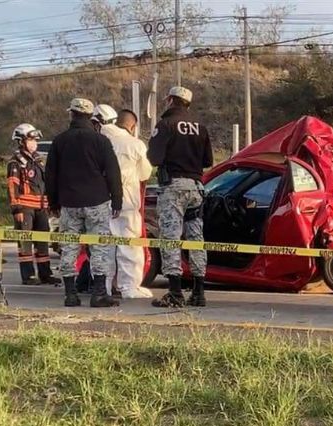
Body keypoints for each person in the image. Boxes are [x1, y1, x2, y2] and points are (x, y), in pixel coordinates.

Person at [45, 98, 123, 308]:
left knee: (69, 246)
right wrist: (117, 199)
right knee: (99, 247)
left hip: (69, 203)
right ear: (91, 117)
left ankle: (70, 294)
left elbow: (50, 174)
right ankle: (99, 293)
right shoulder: (101, 141)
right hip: (97, 201)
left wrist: (53, 201)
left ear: (71, 114)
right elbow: (113, 172)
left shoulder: (60, 141)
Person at [147, 86, 213, 308]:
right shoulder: (200, 126)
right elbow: (207, 161)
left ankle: (175, 292)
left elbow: (154, 158)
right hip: (196, 187)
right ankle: (199, 291)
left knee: (170, 238)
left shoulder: (165, 124)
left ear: (171, 101)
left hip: (174, 187)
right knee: (196, 239)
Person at [94, 105, 153, 299]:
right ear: (132, 126)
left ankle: (105, 287)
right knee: (129, 247)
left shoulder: (98, 140)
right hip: (127, 202)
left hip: (101, 201)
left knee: (104, 246)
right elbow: (145, 173)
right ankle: (129, 287)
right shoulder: (134, 144)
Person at [6, 124, 61, 286]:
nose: (33, 143)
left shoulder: (38, 160)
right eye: (30, 139)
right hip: (24, 207)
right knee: (25, 242)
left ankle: (45, 274)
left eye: (35, 140)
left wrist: (51, 204)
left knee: (42, 241)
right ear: (21, 141)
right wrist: (16, 208)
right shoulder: (16, 162)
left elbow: (45, 183)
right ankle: (28, 275)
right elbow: (12, 186)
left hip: (41, 207)